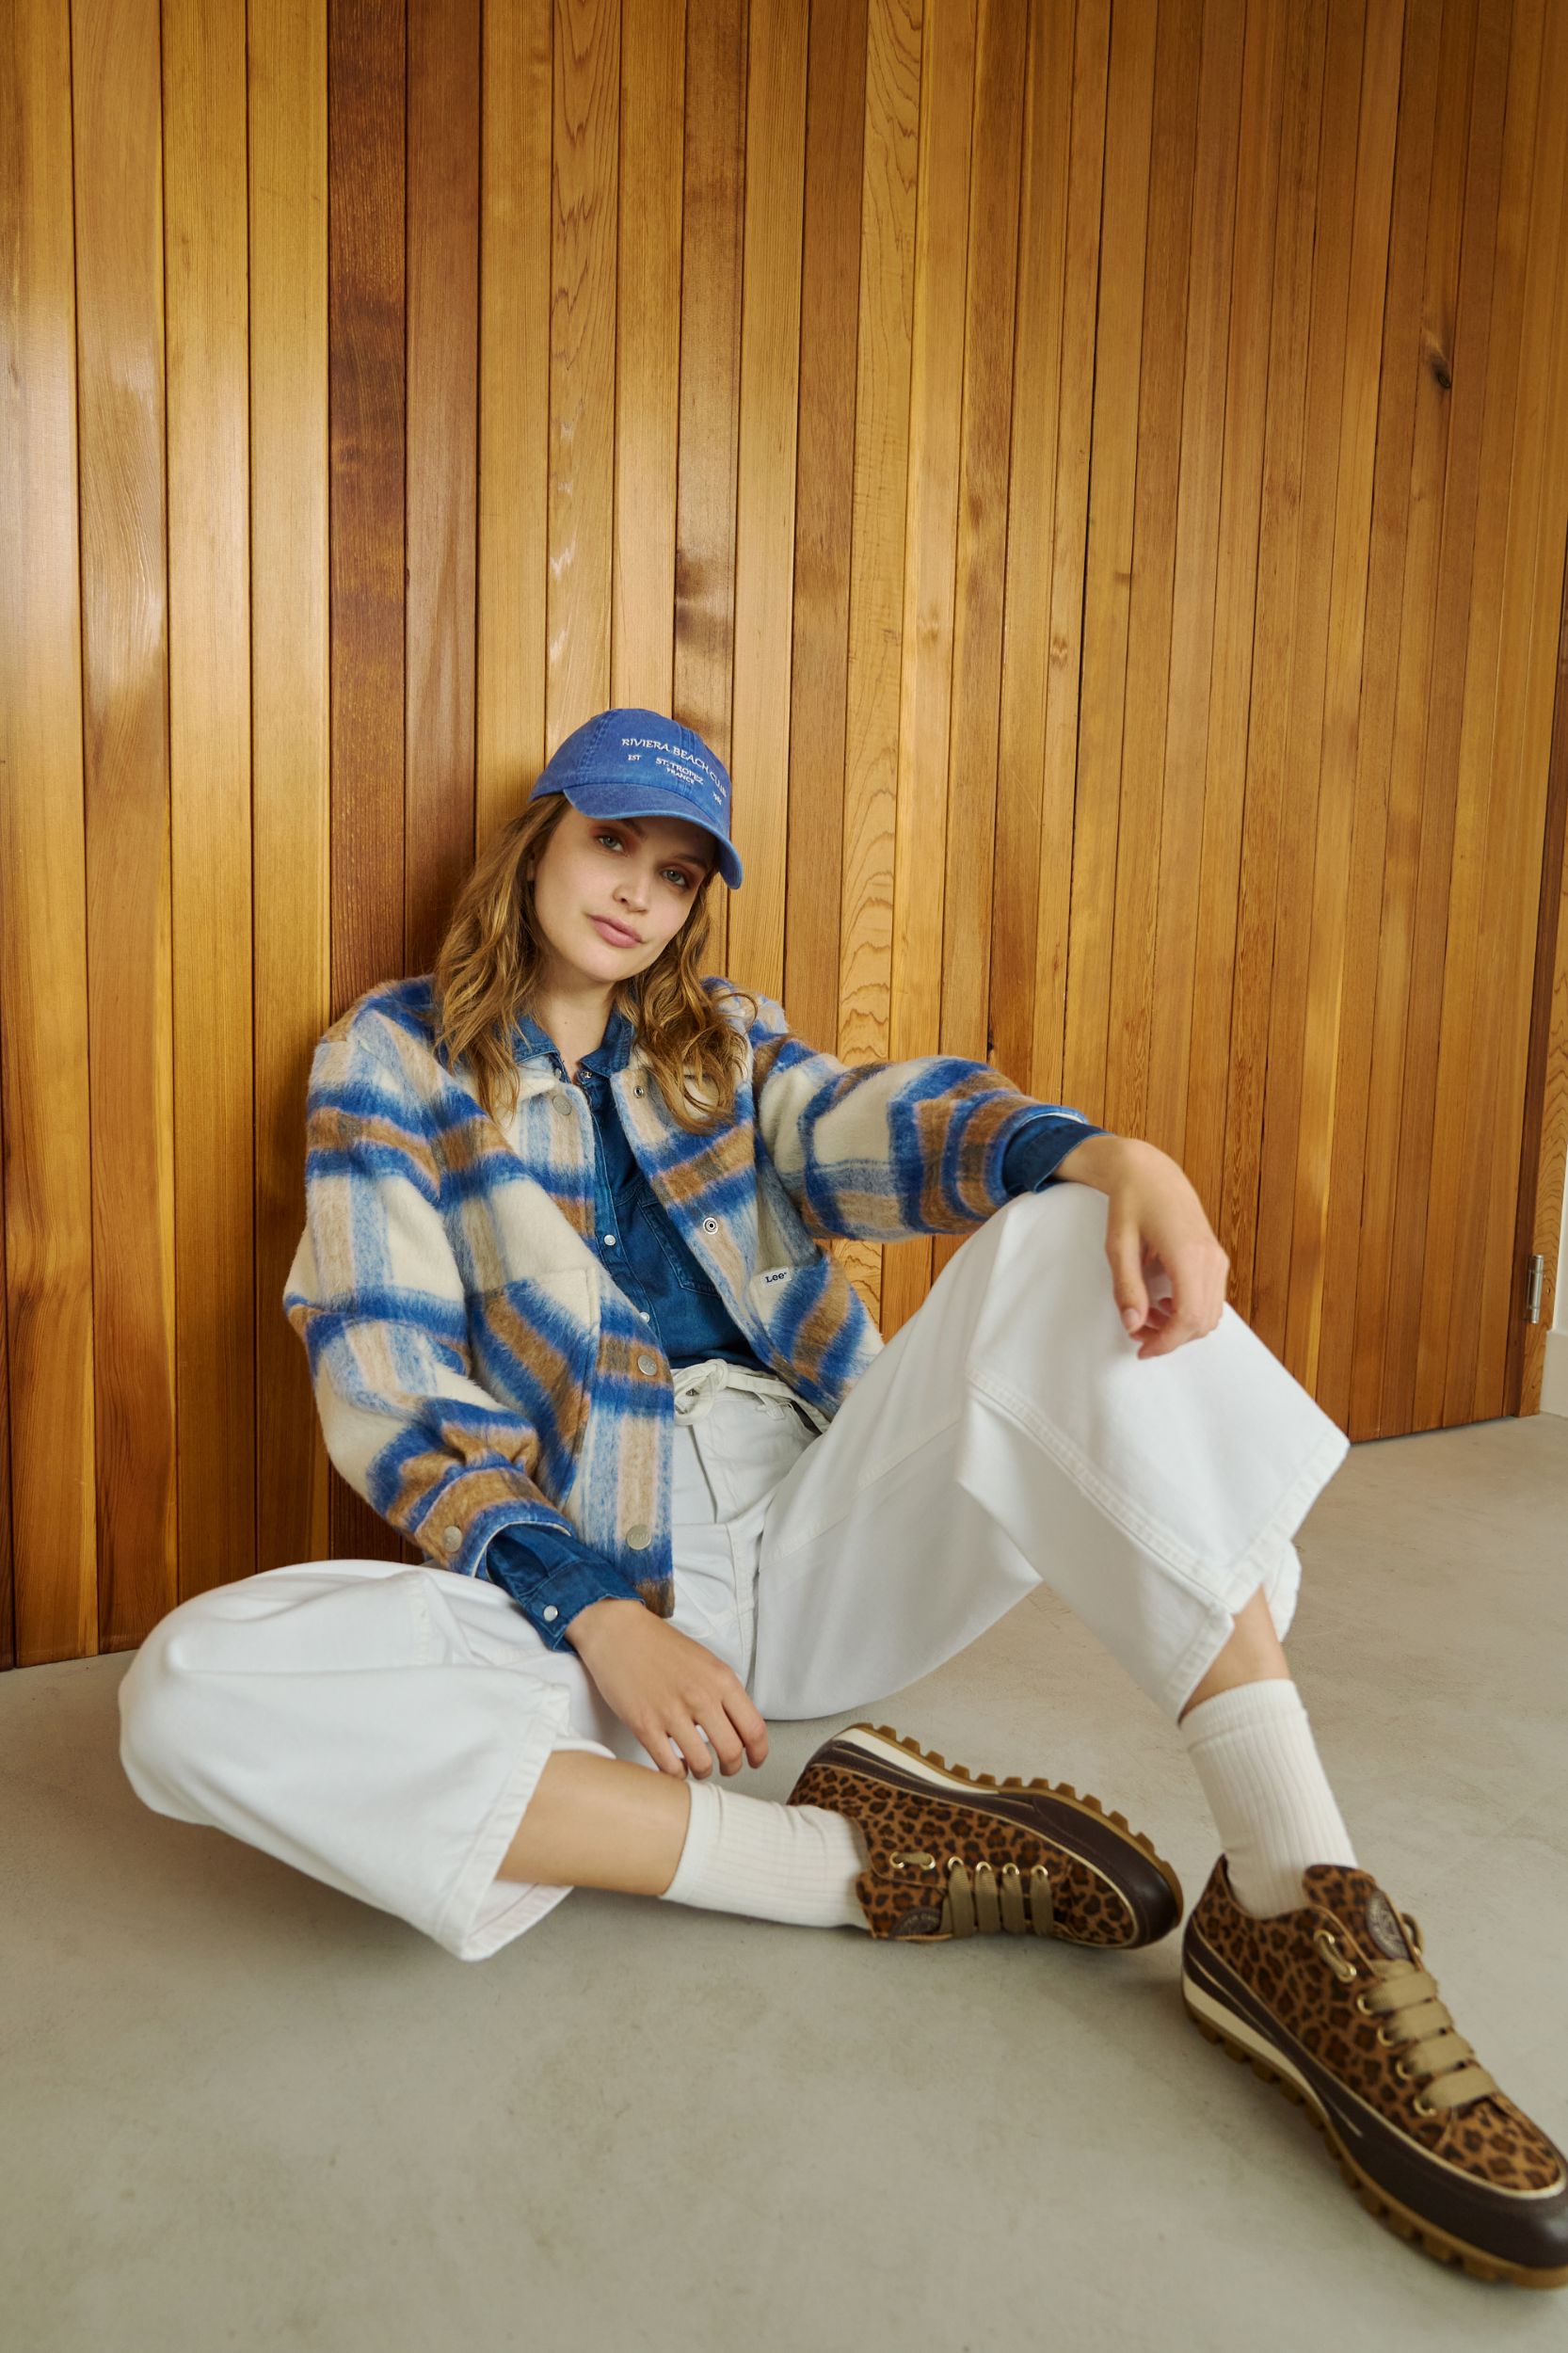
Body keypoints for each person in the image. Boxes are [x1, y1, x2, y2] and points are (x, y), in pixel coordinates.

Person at [118, 705, 1565, 2289]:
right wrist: (596, 1613)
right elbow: (387, 1374)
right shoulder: (389, 1062)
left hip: (829, 1520)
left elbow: (883, 1126)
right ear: (538, 839)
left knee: (1050, 1233)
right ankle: (851, 1862)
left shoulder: (720, 1045)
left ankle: (1292, 1900)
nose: (637, 893)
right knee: (191, 1687)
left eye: (678, 874)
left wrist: (1112, 1156)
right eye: (612, 843)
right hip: (608, 1578)